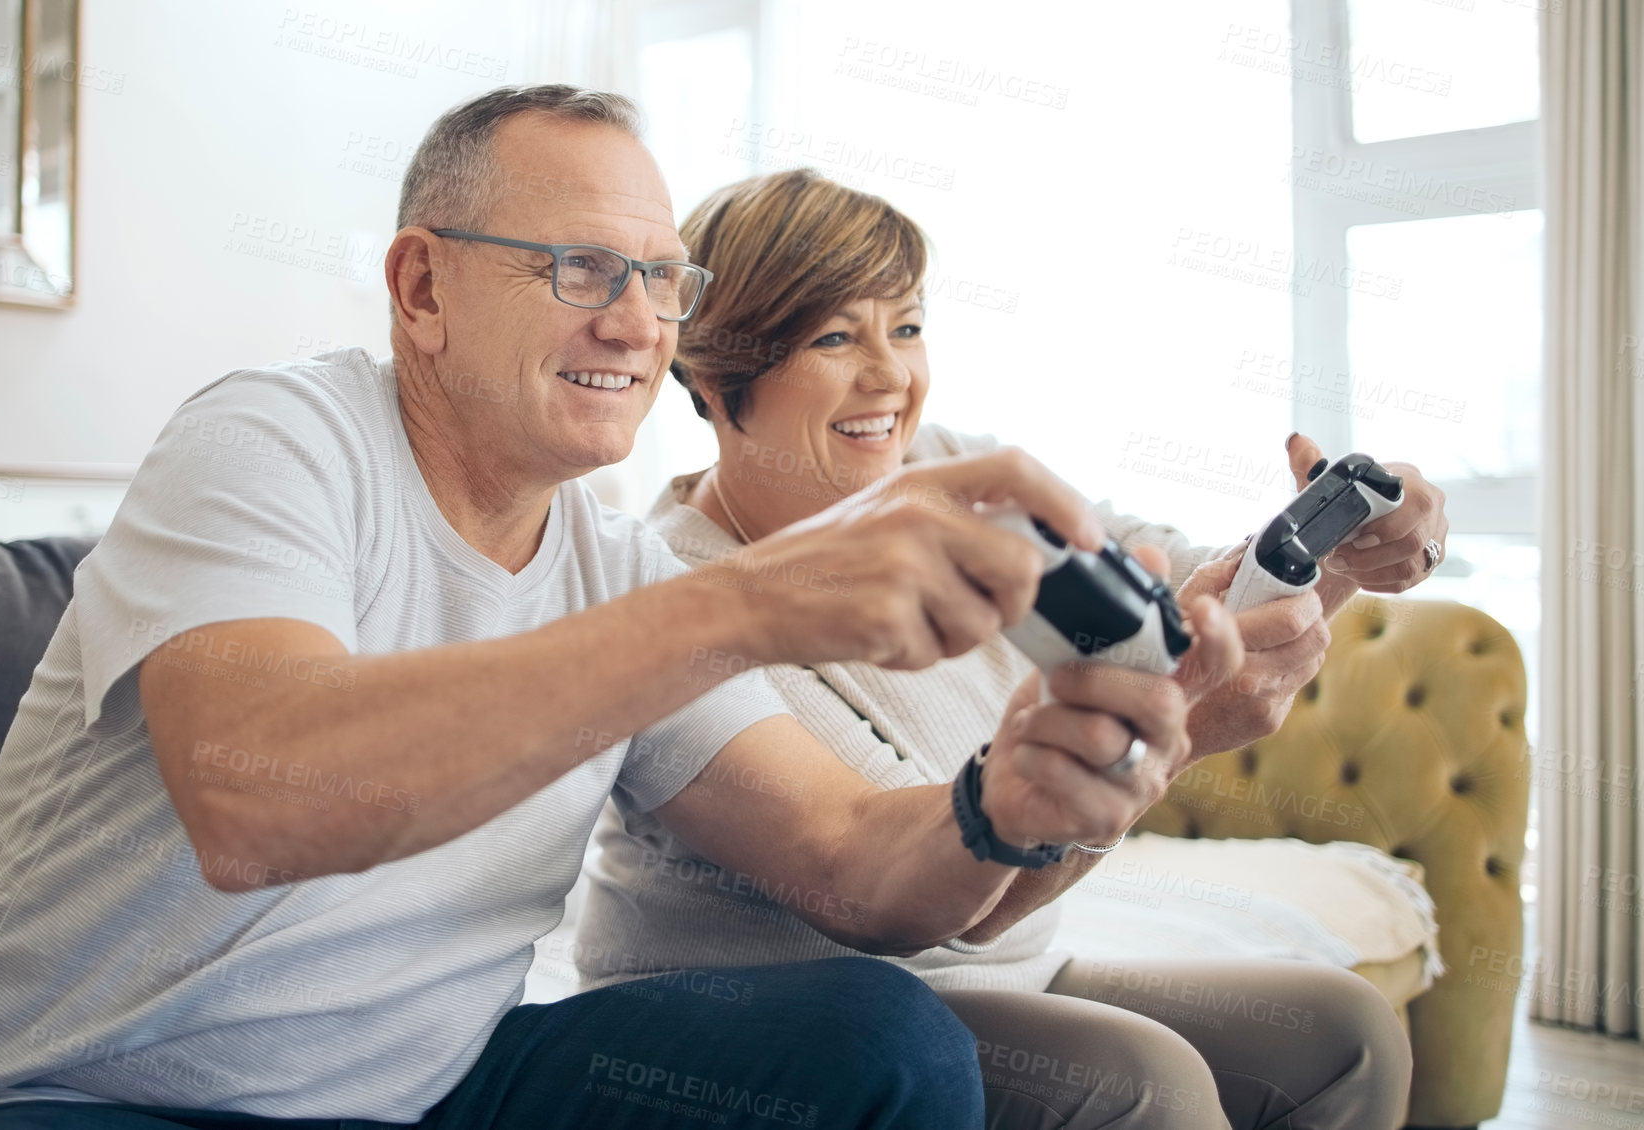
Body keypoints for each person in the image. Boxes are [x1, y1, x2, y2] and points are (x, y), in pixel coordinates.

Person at [0, 87, 1248, 1130]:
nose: (638, 325)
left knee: (878, 1035)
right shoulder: (277, 436)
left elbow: (853, 866)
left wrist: (1008, 803)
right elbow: (264, 800)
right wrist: (747, 603)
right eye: (582, 270)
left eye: (662, 281)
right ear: (422, 287)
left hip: (437, 1090)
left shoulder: (620, 572)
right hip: (80, 1094)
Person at [577, 167, 1450, 1129]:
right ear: (710, 377)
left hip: (1005, 967)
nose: (889, 378)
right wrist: (1176, 730)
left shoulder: (945, 466)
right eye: (834, 337)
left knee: (1342, 1031)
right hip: (795, 1021)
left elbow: (1176, 573)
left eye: (905, 327)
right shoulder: (671, 601)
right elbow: (888, 899)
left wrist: (1345, 546)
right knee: (1141, 1082)